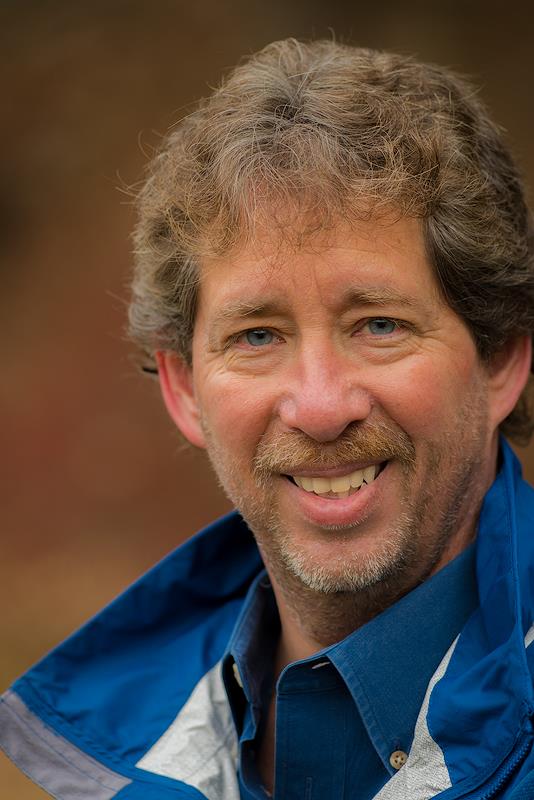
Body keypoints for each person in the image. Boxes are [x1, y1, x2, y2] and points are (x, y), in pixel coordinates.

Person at [2, 38, 534, 800]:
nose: (319, 407)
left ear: (501, 360)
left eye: (379, 325)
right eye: (257, 337)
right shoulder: (119, 763)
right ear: (184, 388)